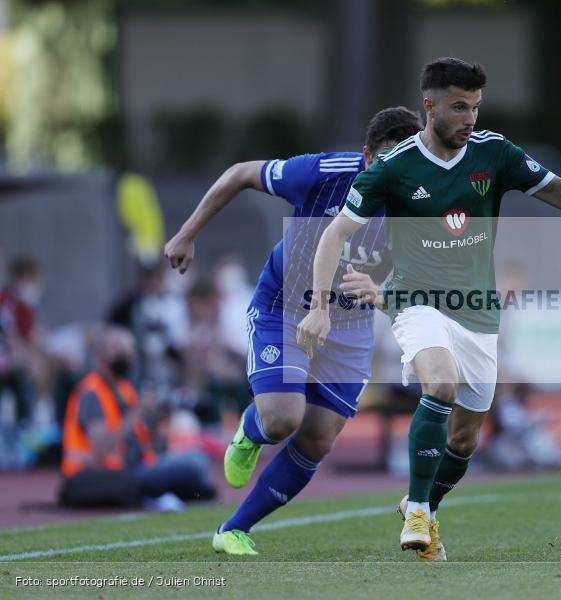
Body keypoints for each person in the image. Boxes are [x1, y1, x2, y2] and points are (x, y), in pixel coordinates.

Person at [297, 57, 561, 560]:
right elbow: (335, 233)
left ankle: (426, 506)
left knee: (463, 442)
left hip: (478, 313)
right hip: (416, 301)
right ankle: (418, 511)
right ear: (430, 106)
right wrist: (319, 307)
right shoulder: (395, 167)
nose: (470, 118)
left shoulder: (495, 153)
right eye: (459, 107)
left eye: (476, 107)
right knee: (440, 384)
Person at [164, 106, 424, 555]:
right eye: (388, 160)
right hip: (284, 307)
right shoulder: (323, 172)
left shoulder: (422, 200)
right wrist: (187, 234)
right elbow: (241, 173)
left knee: (318, 436)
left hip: (352, 325)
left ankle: (233, 529)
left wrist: (384, 293)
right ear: (366, 157)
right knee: (284, 418)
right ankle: (251, 430)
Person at [59, 326, 215, 507]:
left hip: (134, 467)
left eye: (128, 349)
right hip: (102, 473)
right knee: (195, 464)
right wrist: (138, 411)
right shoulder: (92, 392)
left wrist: (161, 418)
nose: (124, 354)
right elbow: (100, 447)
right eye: (117, 348)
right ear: (99, 355)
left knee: (197, 459)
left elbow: (147, 446)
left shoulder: (125, 390)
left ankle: (162, 493)